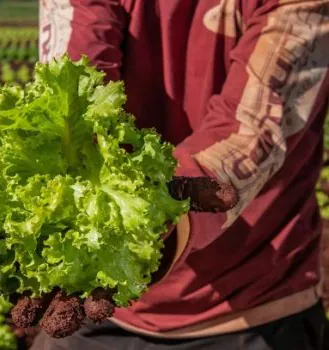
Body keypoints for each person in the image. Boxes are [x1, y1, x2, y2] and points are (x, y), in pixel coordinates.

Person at [31, 0, 329, 349]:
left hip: (251, 307)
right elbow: (70, 85)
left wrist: (160, 210)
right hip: (101, 302)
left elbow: (253, 126)